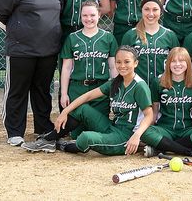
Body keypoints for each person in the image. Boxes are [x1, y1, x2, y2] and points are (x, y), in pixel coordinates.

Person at [21, 46, 154, 155]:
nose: (122, 65)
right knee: (82, 108)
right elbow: (87, 96)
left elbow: (149, 115)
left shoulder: (139, 86)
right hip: (113, 127)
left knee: (85, 137)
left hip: (126, 137)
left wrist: (137, 136)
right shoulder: (116, 82)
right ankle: (49, 140)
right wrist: (64, 112)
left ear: (135, 63)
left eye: (127, 62)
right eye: (118, 62)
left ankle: (62, 146)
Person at [0, 0, 62, 146]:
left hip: (48, 51)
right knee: (17, 91)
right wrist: (17, 32)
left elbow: (58, 13)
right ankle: (14, 132)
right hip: (21, 51)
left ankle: (42, 129)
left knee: (42, 91)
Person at [56, 0, 111, 110]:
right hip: (66, 29)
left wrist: (90, 20)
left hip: (88, 30)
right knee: (66, 70)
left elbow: (107, 6)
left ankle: (94, 109)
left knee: (90, 68)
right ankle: (66, 113)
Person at [141, 47, 192, 158]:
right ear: (168, 63)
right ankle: (191, 152)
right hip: (166, 129)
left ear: (188, 63)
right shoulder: (158, 81)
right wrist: (147, 132)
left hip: (189, 130)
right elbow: (154, 112)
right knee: (144, 132)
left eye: (181, 61)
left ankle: (161, 148)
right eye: (173, 61)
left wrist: (156, 142)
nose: (177, 64)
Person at [59, 0, 118, 138]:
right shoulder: (72, 38)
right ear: (80, 16)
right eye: (85, 15)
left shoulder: (108, 38)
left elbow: (113, 66)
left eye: (92, 15)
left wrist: (115, 90)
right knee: (76, 135)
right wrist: (64, 93)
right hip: (77, 90)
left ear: (99, 15)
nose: (89, 19)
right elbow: (66, 68)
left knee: (98, 131)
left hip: (100, 90)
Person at [121, 0, 179, 85]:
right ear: (141, 11)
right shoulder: (130, 35)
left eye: (155, 9)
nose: (151, 14)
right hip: (137, 86)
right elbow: (123, 65)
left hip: (164, 86)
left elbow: (177, 64)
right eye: (147, 9)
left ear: (161, 11)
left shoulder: (170, 35)